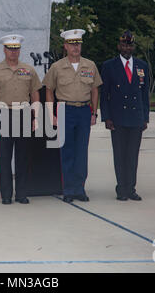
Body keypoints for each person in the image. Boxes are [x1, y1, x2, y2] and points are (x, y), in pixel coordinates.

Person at [43, 29, 102, 203]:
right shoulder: (57, 67)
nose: (76, 47)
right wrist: (51, 113)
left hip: (84, 111)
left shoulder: (90, 65)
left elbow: (95, 90)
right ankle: (68, 190)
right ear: (65, 46)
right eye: (72, 44)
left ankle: (80, 189)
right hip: (64, 110)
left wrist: (94, 112)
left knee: (81, 151)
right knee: (67, 151)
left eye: (78, 44)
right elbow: (48, 90)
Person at [0, 35, 41, 205]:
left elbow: (35, 95)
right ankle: (6, 194)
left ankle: (21, 193)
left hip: (23, 114)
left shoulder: (29, 70)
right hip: (3, 114)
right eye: (10, 48)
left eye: (16, 48)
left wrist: (35, 117)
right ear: (4, 49)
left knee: (23, 157)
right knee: (5, 158)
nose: (13, 52)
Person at [100, 30, 150, 201]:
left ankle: (131, 188)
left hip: (136, 117)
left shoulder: (142, 66)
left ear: (133, 46)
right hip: (118, 118)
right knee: (120, 155)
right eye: (123, 44)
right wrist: (106, 117)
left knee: (133, 155)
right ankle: (121, 188)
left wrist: (145, 118)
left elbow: (145, 95)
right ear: (118, 46)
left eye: (129, 45)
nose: (127, 48)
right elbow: (104, 94)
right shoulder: (109, 66)